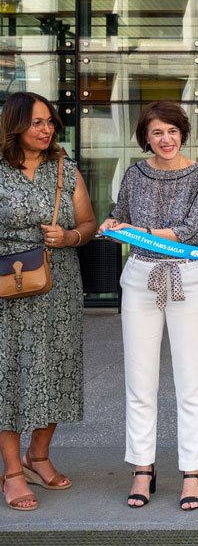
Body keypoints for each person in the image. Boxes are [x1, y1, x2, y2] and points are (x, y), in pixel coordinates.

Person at [98, 101, 198, 511]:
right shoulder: (134, 173)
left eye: (171, 130)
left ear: (183, 132)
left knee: (191, 382)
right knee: (140, 381)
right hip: (140, 278)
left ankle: (192, 471)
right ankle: (143, 468)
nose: (165, 139)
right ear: (145, 139)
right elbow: (121, 216)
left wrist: (140, 231)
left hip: (186, 276)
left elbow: (194, 230)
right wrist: (114, 226)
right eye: (156, 133)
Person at [0, 92, 96, 511]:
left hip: (58, 283)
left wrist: (71, 236)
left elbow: (89, 223)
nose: (46, 130)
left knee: (56, 370)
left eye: (50, 122)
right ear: (15, 125)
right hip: (5, 284)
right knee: (9, 377)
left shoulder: (65, 169)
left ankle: (37, 457)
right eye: (37, 122)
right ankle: (12, 473)